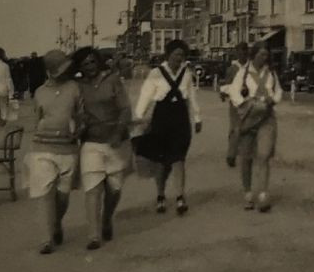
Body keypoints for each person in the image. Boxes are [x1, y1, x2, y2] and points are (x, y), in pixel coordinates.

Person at [132, 39, 202, 216]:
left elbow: (192, 96)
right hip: (161, 118)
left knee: (179, 158)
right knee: (162, 162)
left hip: (180, 118)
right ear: (168, 54)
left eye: (182, 55)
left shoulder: (186, 73)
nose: (180, 58)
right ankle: (160, 195)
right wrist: (139, 117)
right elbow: (146, 96)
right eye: (177, 54)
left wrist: (197, 117)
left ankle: (180, 196)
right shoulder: (156, 73)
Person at [72, 47, 132, 250]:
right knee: (93, 188)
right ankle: (94, 234)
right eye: (84, 64)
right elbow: (76, 112)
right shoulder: (78, 86)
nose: (89, 67)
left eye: (92, 62)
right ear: (79, 67)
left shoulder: (113, 80)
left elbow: (125, 109)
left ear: (98, 61)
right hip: (92, 142)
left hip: (116, 141)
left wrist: (119, 130)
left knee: (114, 189)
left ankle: (107, 218)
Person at [26, 49, 82, 255]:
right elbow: (36, 118)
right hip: (42, 147)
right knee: (45, 192)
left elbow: (81, 115)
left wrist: (78, 130)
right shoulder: (39, 92)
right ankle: (46, 238)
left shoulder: (74, 88)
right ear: (50, 71)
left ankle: (56, 222)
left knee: (63, 195)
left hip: (67, 148)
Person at [231, 45, 282, 212]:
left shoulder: (271, 73)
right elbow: (234, 92)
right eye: (261, 54)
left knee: (264, 155)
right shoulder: (243, 73)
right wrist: (246, 104)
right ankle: (248, 193)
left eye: (266, 55)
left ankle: (263, 193)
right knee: (246, 157)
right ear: (253, 55)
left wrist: (273, 100)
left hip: (266, 118)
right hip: (248, 118)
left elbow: (279, 91)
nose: (264, 58)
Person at [218, 43, 251, 167]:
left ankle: (246, 153)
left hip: (249, 101)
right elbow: (227, 84)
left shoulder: (251, 67)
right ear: (237, 53)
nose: (243, 53)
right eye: (240, 51)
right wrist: (223, 93)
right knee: (235, 128)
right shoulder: (232, 68)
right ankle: (231, 154)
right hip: (235, 102)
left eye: (245, 51)